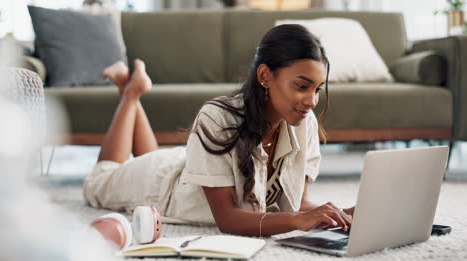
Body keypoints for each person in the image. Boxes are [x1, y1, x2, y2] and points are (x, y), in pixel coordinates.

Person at [83, 24, 354, 237]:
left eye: (317, 89)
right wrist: (296, 220)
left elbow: (296, 206)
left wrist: (344, 214)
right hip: (161, 187)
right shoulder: (217, 117)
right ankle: (131, 92)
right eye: (302, 86)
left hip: (195, 168)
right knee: (98, 181)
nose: (312, 101)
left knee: (149, 156)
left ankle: (131, 90)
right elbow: (227, 218)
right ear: (264, 76)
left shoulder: (302, 121)